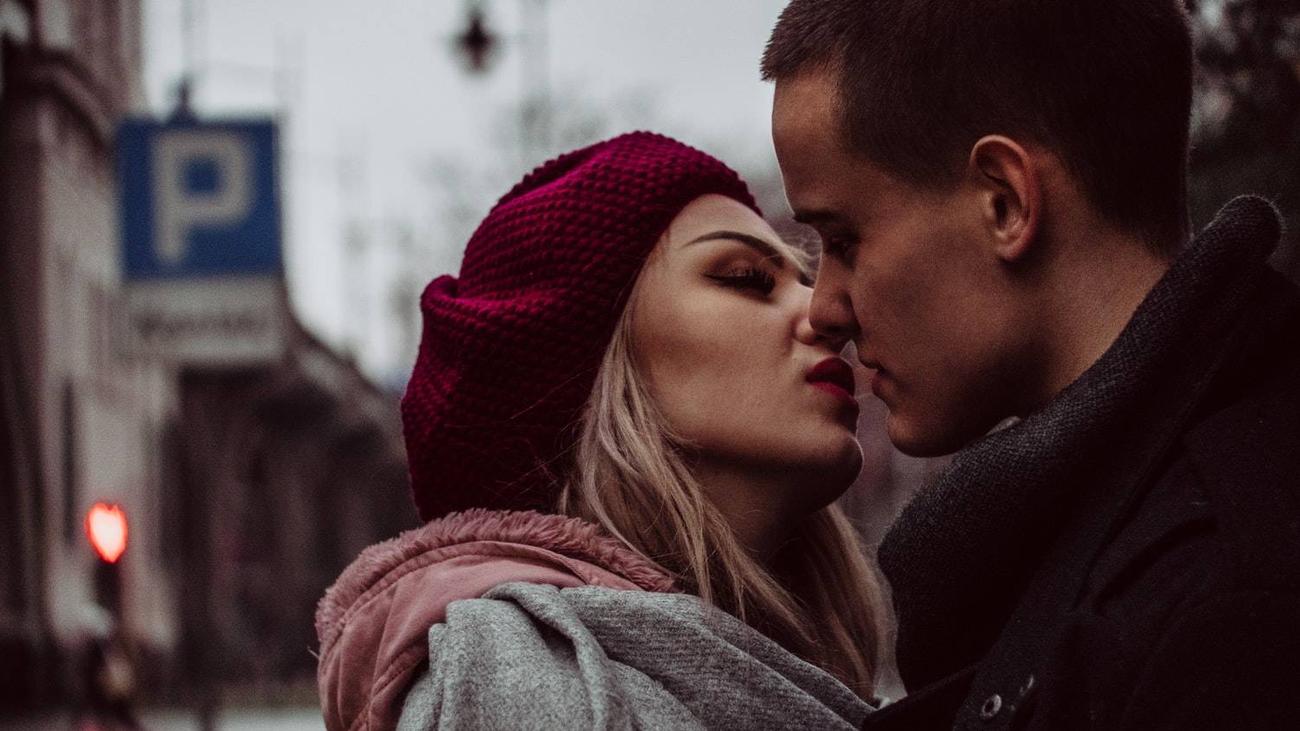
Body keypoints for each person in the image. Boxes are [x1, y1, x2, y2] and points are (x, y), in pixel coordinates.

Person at [762, 1, 1300, 729]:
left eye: (845, 240)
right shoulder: (1137, 549)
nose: (824, 308)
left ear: (1005, 202)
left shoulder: (1227, 612)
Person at [315, 132, 887, 730]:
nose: (828, 311)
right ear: (592, 371)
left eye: (806, 279)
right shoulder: (520, 680)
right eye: (746, 278)